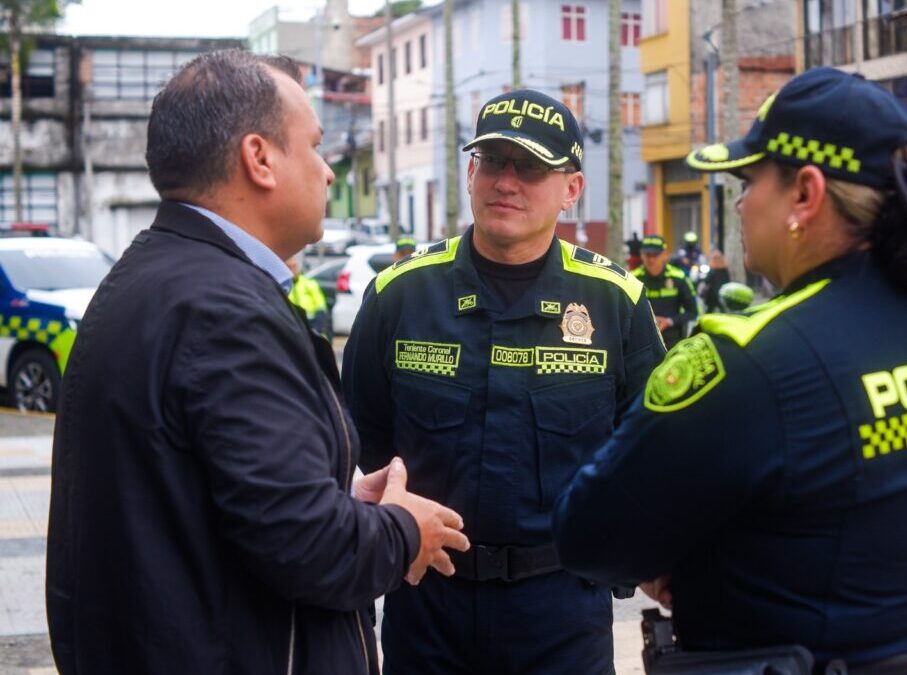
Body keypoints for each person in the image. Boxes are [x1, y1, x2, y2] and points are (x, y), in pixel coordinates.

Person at [553, 67, 907, 673]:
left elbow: (588, 535)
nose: (739, 202)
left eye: (750, 179)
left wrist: (690, 558)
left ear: (806, 195)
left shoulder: (752, 358)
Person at [46, 50, 469, 675]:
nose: (328, 172)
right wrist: (403, 529)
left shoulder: (153, 274)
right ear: (260, 158)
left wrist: (338, 489)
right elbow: (307, 543)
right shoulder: (222, 310)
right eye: (315, 146)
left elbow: (198, 486)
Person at [342, 88, 666, 675]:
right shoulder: (401, 295)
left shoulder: (614, 302)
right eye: (492, 162)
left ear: (571, 189)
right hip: (429, 604)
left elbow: (650, 450)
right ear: (470, 173)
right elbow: (360, 432)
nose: (506, 182)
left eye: (531, 167)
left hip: (562, 614)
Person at [632, 234, 700, 349]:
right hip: (641, 343)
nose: (651, 259)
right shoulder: (632, 279)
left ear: (664, 254)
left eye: (655, 255)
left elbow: (693, 311)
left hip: (673, 342)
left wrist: (669, 321)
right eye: (647, 254)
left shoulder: (679, 278)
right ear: (641, 255)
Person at [286, 255, 331, 338]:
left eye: (294, 266)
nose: (292, 270)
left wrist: (318, 328)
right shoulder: (283, 286)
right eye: (289, 267)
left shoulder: (309, 283)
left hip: (312, 325)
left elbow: (321, 308)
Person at [701, 248, 731, 312]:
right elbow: (728, 280)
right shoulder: (725, 270)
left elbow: (707, 280)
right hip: (722, 292)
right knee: (722, 309)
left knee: (709, 310)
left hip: (712, 294)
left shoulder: (712, 270)